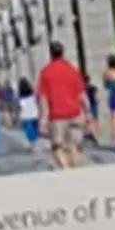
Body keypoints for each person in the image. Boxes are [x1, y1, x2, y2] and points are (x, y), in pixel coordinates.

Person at [37, 41, 90, 169]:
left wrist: (43, 119)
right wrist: (88, 111)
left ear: (50, 53)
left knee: (57, 146)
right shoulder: (72, 69)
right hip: (75, 112)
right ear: (63, 52)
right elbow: (81, 93)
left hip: (57, 115)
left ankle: (65, 168)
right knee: (75, 145)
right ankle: (75, 167)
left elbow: (43, 97)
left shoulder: (46, 72)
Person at [17, 77, 40, 151]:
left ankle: (31, 144)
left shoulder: (20, 97)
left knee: (28, 131)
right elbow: (37, 102)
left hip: (26, 115)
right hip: (34, 113)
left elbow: (20, 107)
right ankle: (34, 143)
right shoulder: (33, 94)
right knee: (35, 129)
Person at [84, 74, 101, 142]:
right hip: (94, 105)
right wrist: (97, 101)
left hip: (87, 105)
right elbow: (96, 97)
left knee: (88, 119)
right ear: (89, 80)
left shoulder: (82, 88)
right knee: (95, 119)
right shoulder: (94, 88)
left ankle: (90, 133)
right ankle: (96, 132)